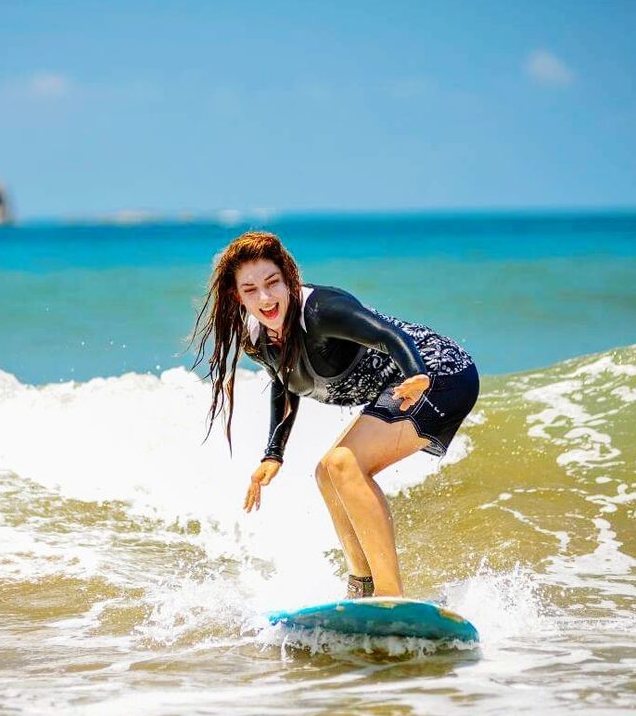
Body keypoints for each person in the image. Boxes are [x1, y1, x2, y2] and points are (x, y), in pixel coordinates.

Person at [190, 231, 478, 599]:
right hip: (401, 384)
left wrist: (415, 374)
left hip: (437, 373)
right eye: (250, 290)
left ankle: (390, 597)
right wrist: (273, 453)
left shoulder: (321, 310)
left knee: (343, 464)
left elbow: (388, 335)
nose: (264, 298)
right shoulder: (256, 337)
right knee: (327, 472)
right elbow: (285, 380)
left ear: (288, 279)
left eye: (272, 283)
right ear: (237, 296)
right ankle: (363, 585)